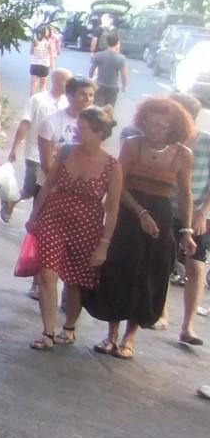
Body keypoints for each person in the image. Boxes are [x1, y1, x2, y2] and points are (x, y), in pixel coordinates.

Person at [84, 97, 197, 358]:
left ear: (174, 127)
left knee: (148, 275)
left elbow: (185, 194)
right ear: (142, 120)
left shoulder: (182, 154)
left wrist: (187, 231)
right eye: (150, 123)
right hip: (129, 211)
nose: (155, 129)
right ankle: (111, 334)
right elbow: (118, 185)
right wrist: (140, 212)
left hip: (161, 216)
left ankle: (129, 338)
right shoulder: (133, 145)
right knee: (118, 270)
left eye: (162, 126)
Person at [26, 106, 122, 351]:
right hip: (54, 216)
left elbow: (112, 208)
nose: (77, 131)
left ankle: (69, 327)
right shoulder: (67, 151)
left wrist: (104, 244)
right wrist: (34, 215)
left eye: (82, 128)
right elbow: (48, 185)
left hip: (87, 225)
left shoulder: (112, 165)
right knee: (48, 273)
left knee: (74, 280)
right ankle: (47, 332)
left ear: (99, 133)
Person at [3, 66, 71, 222]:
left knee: (46, 188)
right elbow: (25, 123)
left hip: (55, 155)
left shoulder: (67, 103)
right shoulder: (38, 100)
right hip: (34, 152)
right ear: (56, 81)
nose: (69, 85)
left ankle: (39, 218)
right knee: (31, 187)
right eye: (66, 81)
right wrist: (15, 148)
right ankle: (11, 202)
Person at [169, 92, 209, 347]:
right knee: (162, 261)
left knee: (196, 265)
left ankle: (188, 326)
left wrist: (202, 212)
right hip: (167, 208)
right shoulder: (167, 141)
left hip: (196, 214)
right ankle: (160, 312)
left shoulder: (206, 143)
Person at [89, 33, 128, 109]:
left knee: (97, 109)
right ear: (117, 43)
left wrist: (90, 80)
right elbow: (124, 75)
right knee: (109, 109)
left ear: (107, 42)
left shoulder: (99, 55)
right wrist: (124, 86)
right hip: (112, 87)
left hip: (99, 85)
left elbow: (91, 69)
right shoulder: (121, 58)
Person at [29, 25, 56, 94]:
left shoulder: (35, 41)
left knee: (33, 85)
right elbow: (51, 57)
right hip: (44, 66)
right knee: (43, 86)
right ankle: (41, 102)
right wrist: (53, 68)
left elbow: (31, 52)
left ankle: (31, 101)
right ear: (49, 33)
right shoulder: (50, 43)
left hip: (34, 65)